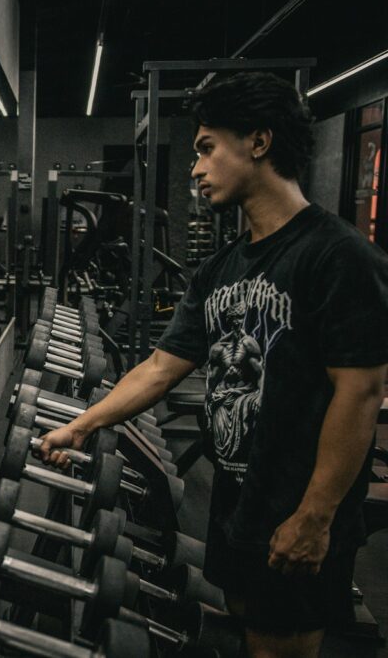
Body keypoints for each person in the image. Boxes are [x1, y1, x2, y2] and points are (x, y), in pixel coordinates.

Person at [37, 72, 388, 657]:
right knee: (246, 634)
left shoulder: (337, 256)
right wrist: (82, 425)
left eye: (206, 149)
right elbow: (160, 367)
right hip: (237, 501)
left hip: (295, 505)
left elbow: (361, 393)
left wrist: (315, 517)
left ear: (259, 141)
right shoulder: (220, 270)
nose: (196, 169)